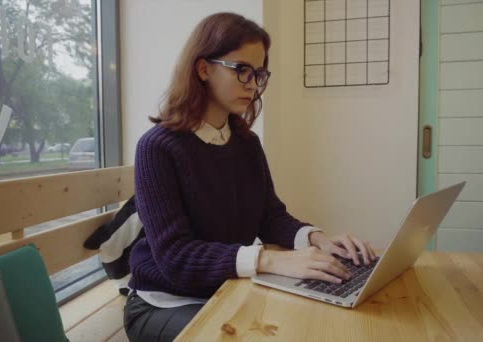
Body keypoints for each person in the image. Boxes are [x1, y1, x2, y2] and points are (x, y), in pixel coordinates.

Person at [124, 12, 378, 342]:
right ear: (203, 69)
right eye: (242, 70)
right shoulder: (157, 148)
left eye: (258, 74)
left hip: (228, 288)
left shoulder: (245, 142)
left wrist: (319, 240)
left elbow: (270, 217)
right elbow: (176, 257)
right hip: (164, 304)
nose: (253, 84)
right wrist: (270, 259)